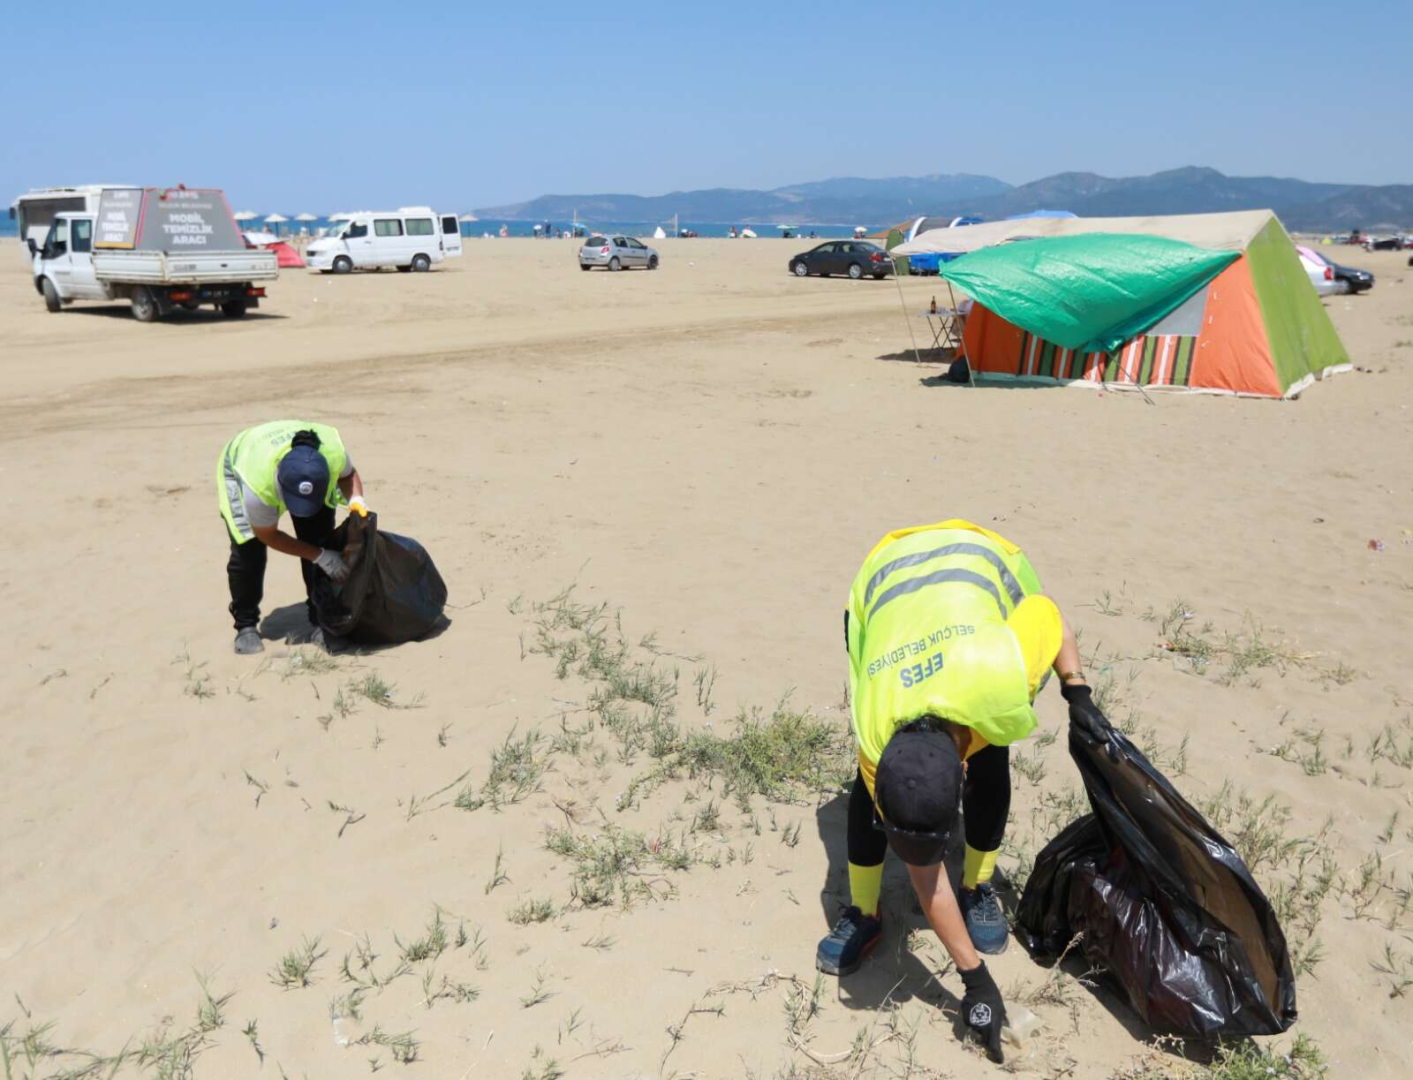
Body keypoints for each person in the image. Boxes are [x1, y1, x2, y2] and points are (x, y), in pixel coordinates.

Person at [815, 518, 1113, 1062]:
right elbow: (926, 877)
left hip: (981, 562)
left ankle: (977, 887)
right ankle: (864, 912)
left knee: (994, 756)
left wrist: (1078, 691)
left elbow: (1050, 616)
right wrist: (977, 983)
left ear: (960, 772)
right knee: (864, 797)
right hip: (883, 582)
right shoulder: (873, 721)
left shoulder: (1002, 670)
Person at [217, 421, 368, 655]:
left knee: (318, 538)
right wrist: (320, 556)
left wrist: (356, 500)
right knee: (248, 551)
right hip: (241, 459)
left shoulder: (332, 454)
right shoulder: (257, 485)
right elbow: (268, 535)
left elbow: (349, 476)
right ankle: (245, 625)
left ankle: (320, 620)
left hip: (299, 463)